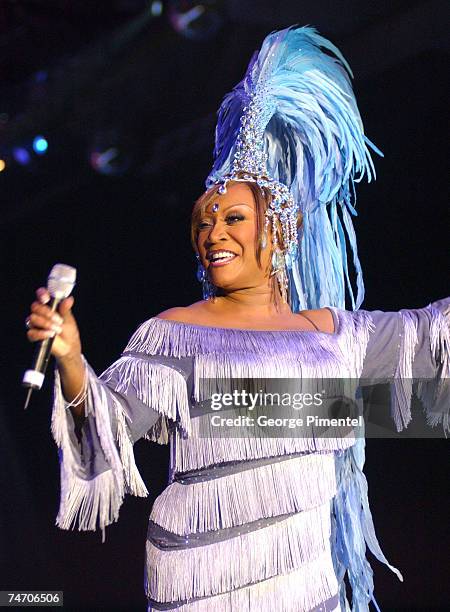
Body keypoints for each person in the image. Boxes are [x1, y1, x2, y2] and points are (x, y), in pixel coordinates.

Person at [25, 26, 449, 612]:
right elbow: (110, 427)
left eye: (233, 219)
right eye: (205, 221)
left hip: (305, 586)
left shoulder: (330, 336)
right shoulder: (174, 333)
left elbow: (431, 338)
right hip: (200, 587)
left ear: (276, 233)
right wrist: (71, 358)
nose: (213, 233)